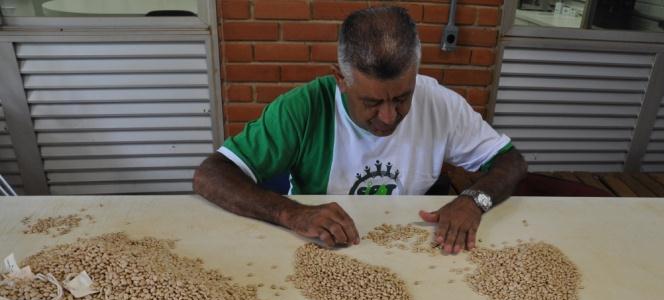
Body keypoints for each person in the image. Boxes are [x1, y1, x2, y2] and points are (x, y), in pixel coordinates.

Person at [194, 6, 527, 254]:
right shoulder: (304, 108)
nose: (388, 116)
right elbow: (211, 175)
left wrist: (474, 200)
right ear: (340, 79)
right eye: (371, 102)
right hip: (317, 248)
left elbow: (510, 161)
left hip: (407, 246)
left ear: (415, 74)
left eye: (402, 98)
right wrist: (289, 212)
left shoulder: (440, 103)